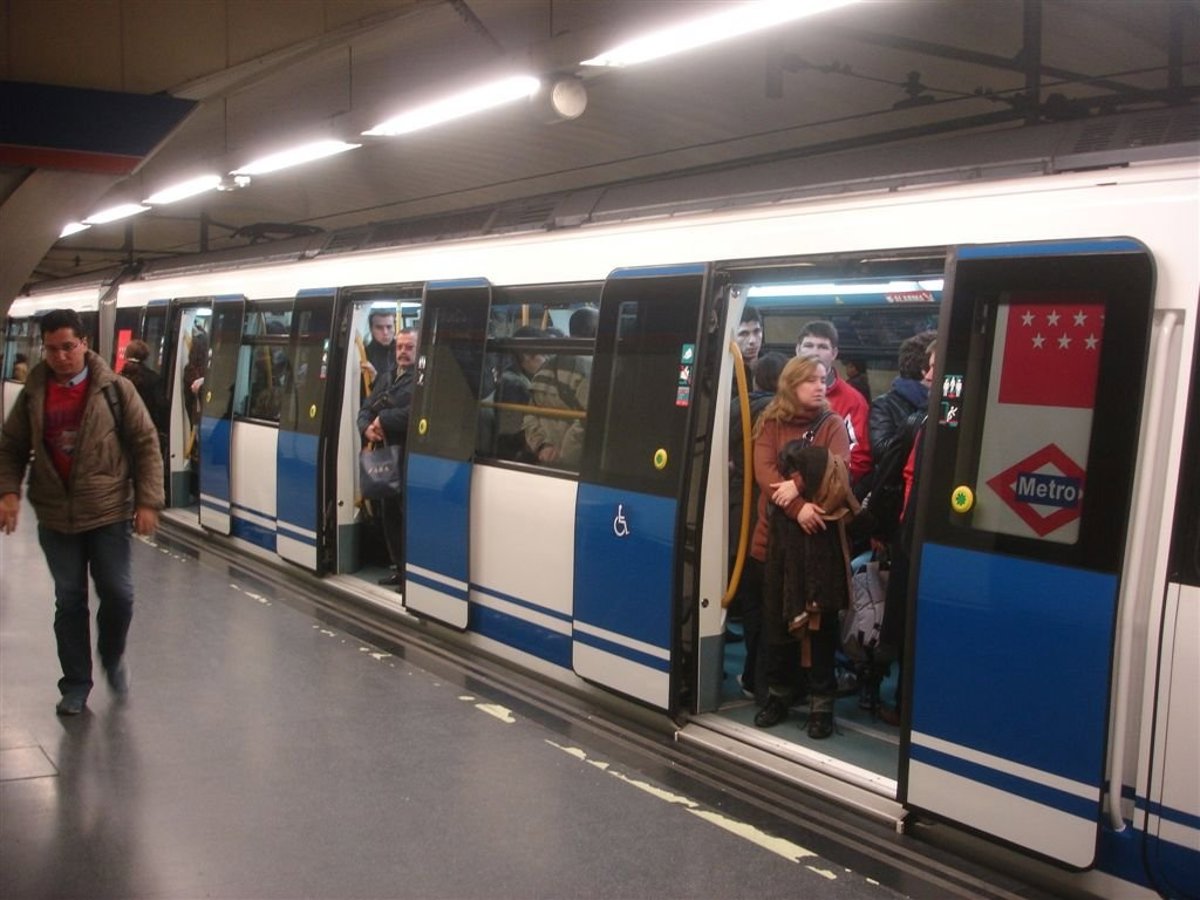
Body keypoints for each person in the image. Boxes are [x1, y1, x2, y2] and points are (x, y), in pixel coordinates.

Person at [0, 309, 164, 715]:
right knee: (70, 599)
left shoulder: (116, 389)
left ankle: (112, 654)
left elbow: (145, 442)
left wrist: (147, 501)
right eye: (52, 349)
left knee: (118, 593)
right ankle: (75, 684)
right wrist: (8, 492)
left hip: (107, 510)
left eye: (68, 347)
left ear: (84, 344)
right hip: (56, 515)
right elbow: (11, 446)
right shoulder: (34, 392)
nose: (60, 356)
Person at [749, 355, 853, 738]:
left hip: (817, 545)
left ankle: (821, 704)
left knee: (821, 628)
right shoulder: (770, 422)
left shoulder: (833, 424)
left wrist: (798, 485)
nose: (820, 386)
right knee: (776, 624)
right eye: (811, 380)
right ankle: (779, 694)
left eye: (823, 379)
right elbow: (765, 475)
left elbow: (840, 471)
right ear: (791, 384)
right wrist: (798, 507)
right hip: (772, 543)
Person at [728, 351, 787, 700]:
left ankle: (752, 674)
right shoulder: (778, 416)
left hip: (736, 507)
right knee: (766, 601)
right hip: (765, 513)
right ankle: (760, 675)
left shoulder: (734, 408)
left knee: (749, 598)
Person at [357, 327, 417, 587]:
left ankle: (412, 573)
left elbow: (415, 413)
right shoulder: (387, 376)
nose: (403, 352)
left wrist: (383, 419)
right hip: (385, 455)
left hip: (409, 456)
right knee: (389, 513)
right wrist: (366, 428)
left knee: (406, 516)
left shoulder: (423, 379)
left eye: (409, 347)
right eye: (399, 347)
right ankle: (399, 567)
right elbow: (366, 409)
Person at [795, 321, 870, 484]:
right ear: (798, 349)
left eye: (822, 347)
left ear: (834, 353)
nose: (815, 352)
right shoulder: (782, 393)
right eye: (809, 345)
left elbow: (859, 457)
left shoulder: (853, 401)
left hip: (828, 489)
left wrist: (823, 485)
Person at [523, 307, 597, 467]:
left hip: (544, 457)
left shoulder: (545, 366)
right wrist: (563, 457)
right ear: (595, 332)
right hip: (570, 464)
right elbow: (587, 423)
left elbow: (529, 414)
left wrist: (542, 447)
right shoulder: (592, 369)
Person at [492, 325, 546, 461]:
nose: (545, 360)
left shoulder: (517, 377)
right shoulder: (514, 385)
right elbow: (510, 432)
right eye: (543, 354)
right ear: (527, 356)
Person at [120, 339, 167, 442]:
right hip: (145, 430)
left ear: (127, 354)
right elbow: (161, 406)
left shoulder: (118, 379)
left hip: (122, 432)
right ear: (145, 356)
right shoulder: (154, 379)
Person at [361, 310, 396, 387]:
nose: (385, 332)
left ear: (394, 328)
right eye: (379, 328)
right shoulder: (364, 356)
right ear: (371, 329)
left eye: (389, 327)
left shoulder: (405, 351)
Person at [734, 306, 763, 374]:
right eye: (744, 334)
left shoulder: (771, 367)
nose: (752, 341)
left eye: (756, 331)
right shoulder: (724, 372)